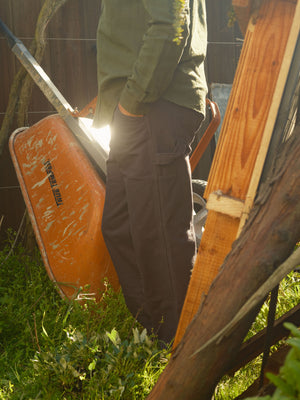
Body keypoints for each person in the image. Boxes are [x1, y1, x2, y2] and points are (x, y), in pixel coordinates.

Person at [93, 0, 208, 344]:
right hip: (137, 107)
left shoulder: (141, 101)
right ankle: (154, 334)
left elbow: (170, 25)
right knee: (121, 225)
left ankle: (177, 346)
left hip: (152, 105)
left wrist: (132, 101)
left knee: (159, 235)